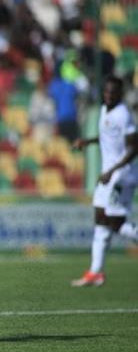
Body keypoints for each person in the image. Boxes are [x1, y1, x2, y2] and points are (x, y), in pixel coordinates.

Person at [72, 76, 138, 287]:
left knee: (113, 221)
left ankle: (95, 271)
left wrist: (113, 171)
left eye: (113, 92)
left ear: (120, 94)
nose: (108, 95)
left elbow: (134, 148)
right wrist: (87, 142)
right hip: (108, 173)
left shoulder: (123, 115)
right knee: (101, 220)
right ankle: (95, 273)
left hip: (122, 175)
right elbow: (106, 137)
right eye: (106, 92)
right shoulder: (104, 109)